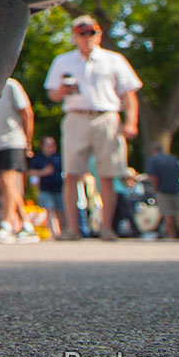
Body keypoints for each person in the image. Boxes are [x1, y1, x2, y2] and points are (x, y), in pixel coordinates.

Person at [44, 15, 142, 239]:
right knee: (71, 173)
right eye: (82, 32)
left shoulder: (114, 60)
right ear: (74, 36)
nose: (87, 37)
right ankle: (72, 229)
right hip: (76, 116)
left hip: (106, 116)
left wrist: (131, 121)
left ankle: (107, 227)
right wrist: (61, 91)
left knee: (108, 174)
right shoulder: (63, 61)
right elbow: (52, 93)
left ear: (99, 35)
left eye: (91, 32)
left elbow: (129, 94)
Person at [0, 77, 37, 242]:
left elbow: (27, 113)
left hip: (13, 141)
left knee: (8, 180)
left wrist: (28, 142)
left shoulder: (11, 85)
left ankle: (7, 225)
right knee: (5, 184)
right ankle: (27, 225)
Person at [144, 144, 179, 239]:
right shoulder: (173, 158)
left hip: (163, 189)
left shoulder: (154, 160)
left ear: (154, 151)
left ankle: (171, 234)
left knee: (167, 212)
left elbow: (154, 177)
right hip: (176, 189)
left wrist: (155, 189)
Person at [28, 136, 63, 239]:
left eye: (53, 145)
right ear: (43, 146)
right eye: (48, 145)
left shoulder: (58, 157)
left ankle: (62, 231)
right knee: (49, 210)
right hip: (45, 189)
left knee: (60, 211)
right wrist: (43, 172)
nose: (51, 148)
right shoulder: (38, 159)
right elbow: (30, 172)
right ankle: (52, 232)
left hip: (59, 188)